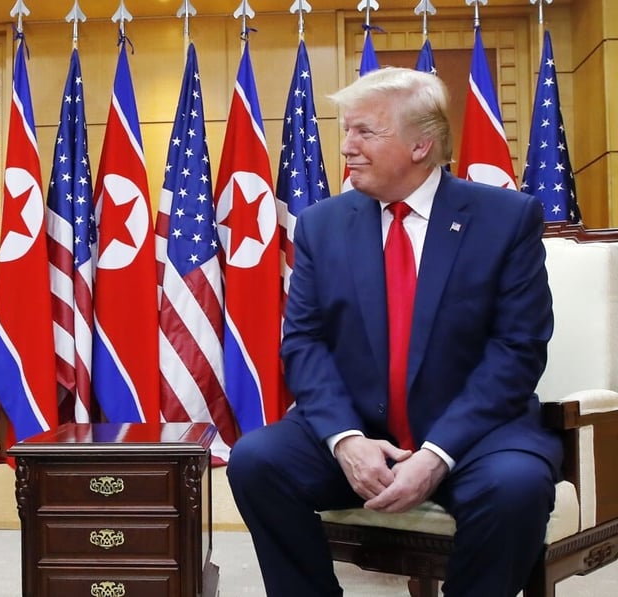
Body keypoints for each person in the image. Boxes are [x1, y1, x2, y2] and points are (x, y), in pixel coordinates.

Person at [227, 67, 562, 596]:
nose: (347, 148)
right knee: (255, 462)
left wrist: (437, 455)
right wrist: (346, 439)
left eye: (365, 132)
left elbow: (517, 351)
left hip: (474, 436)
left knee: (515, 489)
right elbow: (305, 343)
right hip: (361, 428)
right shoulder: (322, 224)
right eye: (347, 131)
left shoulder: (506, 219)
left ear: (420, 144)